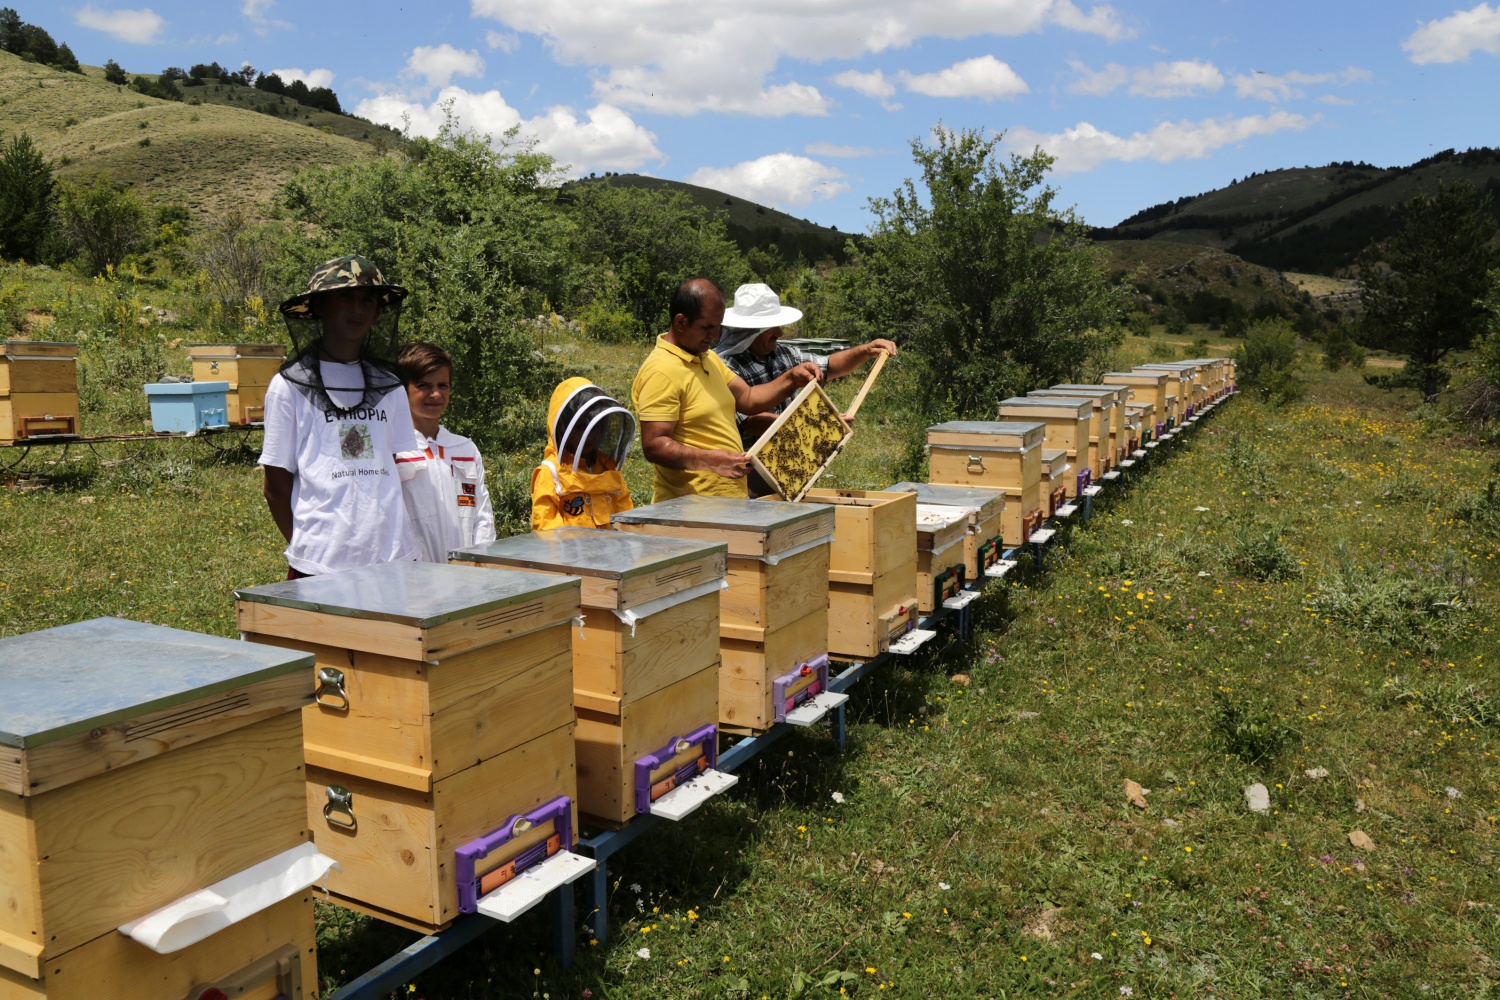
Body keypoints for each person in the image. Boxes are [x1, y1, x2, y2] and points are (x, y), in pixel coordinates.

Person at [259, 254, 426, 578]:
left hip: (394, 559)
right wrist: (311, 550)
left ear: (378, 313)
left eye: (367, 300)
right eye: (345, 297)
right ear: (320, 306)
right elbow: (275, 486)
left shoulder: (390, 386)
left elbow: (387, 467)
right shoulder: (287, 387)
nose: (357, 308)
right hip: (319, 565)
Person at [631, 278, 821, 501]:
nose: (715, 336)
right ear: (681, 322)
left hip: (728, 504)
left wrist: (791, 378)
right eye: (707, 327)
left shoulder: (708, 358)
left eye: (718, 327)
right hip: (691, 510)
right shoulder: (661, 371)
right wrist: (710, 460)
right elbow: (654, 445)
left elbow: (748, 398)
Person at [716, 282, 898, 449]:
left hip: (793, 457)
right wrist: (812, 425)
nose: (779, 332)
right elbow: (750, 421)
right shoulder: (726, 365)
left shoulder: (785, 353)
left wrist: (866, 350)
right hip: (749, 471)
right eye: (771, 327)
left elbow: (828, 366)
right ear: (750, 331)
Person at [397, 341, 496, 560]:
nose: (435, 394)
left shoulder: (465, 448)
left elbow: (483, 518)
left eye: (443, 385)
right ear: (403, 389)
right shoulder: (394, 451)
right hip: (415, 582)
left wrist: (481, 566)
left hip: (467, 580)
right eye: (424, 385)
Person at [531, 377, 636, 529]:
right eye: (580, 427)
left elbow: (627, 520)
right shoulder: (550, 474)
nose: (590, 435)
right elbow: (547, 531)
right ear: (561, 428)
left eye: (595, 426)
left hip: (613, 550)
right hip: (570, 552)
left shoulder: (607, 467)